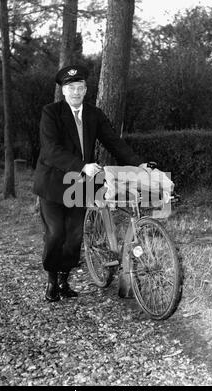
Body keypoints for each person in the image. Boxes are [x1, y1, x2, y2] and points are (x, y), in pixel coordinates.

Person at [33, 64, 146, 302]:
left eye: (80, 87)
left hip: (80, 185)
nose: (76, 92)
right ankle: (52, 280)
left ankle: (64, 279)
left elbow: (114, 142)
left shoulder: (94, 114)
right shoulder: (50, 113)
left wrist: (139, 165)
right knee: (55, 234)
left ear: (86, 90)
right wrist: (81, 165)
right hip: (53, 184)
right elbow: (50, 151)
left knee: (74, 236)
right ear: (63, 91)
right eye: (70, 87)